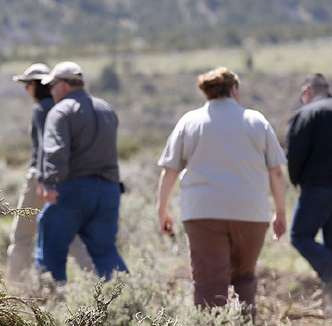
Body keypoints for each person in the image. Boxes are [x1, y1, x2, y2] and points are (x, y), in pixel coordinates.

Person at [156, 68, 288, 308]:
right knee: (244, 278)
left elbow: (170, 171)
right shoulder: (256, 121)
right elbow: (277, 172)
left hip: (202, 212)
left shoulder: (190, 121)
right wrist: (280, 211)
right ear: (234, 90)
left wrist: (162, 210)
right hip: (251, 212)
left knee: (208, 282)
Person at [35, 61, 127, 282]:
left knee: (50, 253)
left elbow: (55, 151)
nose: (50, 91)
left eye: (52, 85)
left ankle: (51, 305)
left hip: (72, 190)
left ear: (64, 85)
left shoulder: (60, 112)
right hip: (108, 191)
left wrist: (49, 183)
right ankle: (127, 301)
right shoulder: (106, 108)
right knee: (106, 252)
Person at [6, 63, 92, 280]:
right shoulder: (63, 108)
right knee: (71, 234)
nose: (26, 89)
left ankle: (15, 286)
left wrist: (45, 180)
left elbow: (47, 148)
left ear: (36, 85)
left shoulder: (41, 110)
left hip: (41, 179)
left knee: (22, 236)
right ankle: (96, 279)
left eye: (27, 84)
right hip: (66, 178)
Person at [287, 73, 332, 295]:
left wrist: (296, 180)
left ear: (307, 91)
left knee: (300, 236)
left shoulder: (306, 114)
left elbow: (295, 154)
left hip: (318, 187)